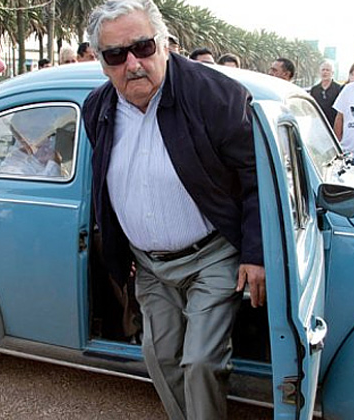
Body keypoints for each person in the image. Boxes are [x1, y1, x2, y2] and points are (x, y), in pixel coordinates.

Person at [82, 1, 265, 419]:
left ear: (164, 44)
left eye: (143, 47)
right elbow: (104, 183)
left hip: (213, 256)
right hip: (149, 266)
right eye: (116, 55)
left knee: (201, 361)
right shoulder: (98, 108)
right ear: (101, 61)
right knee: (160, 357)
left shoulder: (214, 95)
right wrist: (120, 251)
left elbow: (255, 177)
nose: (132, 64)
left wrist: (255, 254)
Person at [310, 61, 342, 126]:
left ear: (332, 73)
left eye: (327, 70)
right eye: (323, 70)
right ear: (319, 72)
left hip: (333, 125)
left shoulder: (339, 89)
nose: (325, 72)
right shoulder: (314, 90)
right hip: (317, 124)